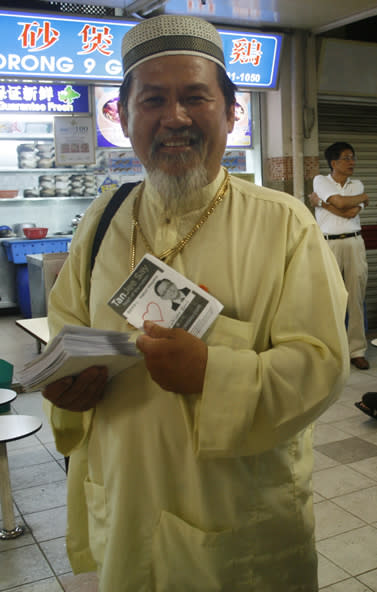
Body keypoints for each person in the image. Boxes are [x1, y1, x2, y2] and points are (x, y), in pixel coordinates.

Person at [42, 15, 349, 592]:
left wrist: (211, 370)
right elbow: (67, 333)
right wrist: (66, 388)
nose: (174, 118)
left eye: (195, 98)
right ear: (126, 118)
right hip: (126, 494)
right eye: (152, 99)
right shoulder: (101, 222)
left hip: (236, 514)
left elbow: (321, 364)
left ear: (231, 113)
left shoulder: (283, 224)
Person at [309, 142, 369, 370]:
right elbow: (343, 204)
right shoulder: (320, 181)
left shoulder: (357, 184)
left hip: (354, 243)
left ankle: (356, 351)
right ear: (333, 163)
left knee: (355, 297)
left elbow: (350, 211)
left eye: (353, 157)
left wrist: (321, 203)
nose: (352, 162)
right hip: (328, 245)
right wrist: (356, 199)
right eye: (346, 158)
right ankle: (329, 351)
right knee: (328, 297)